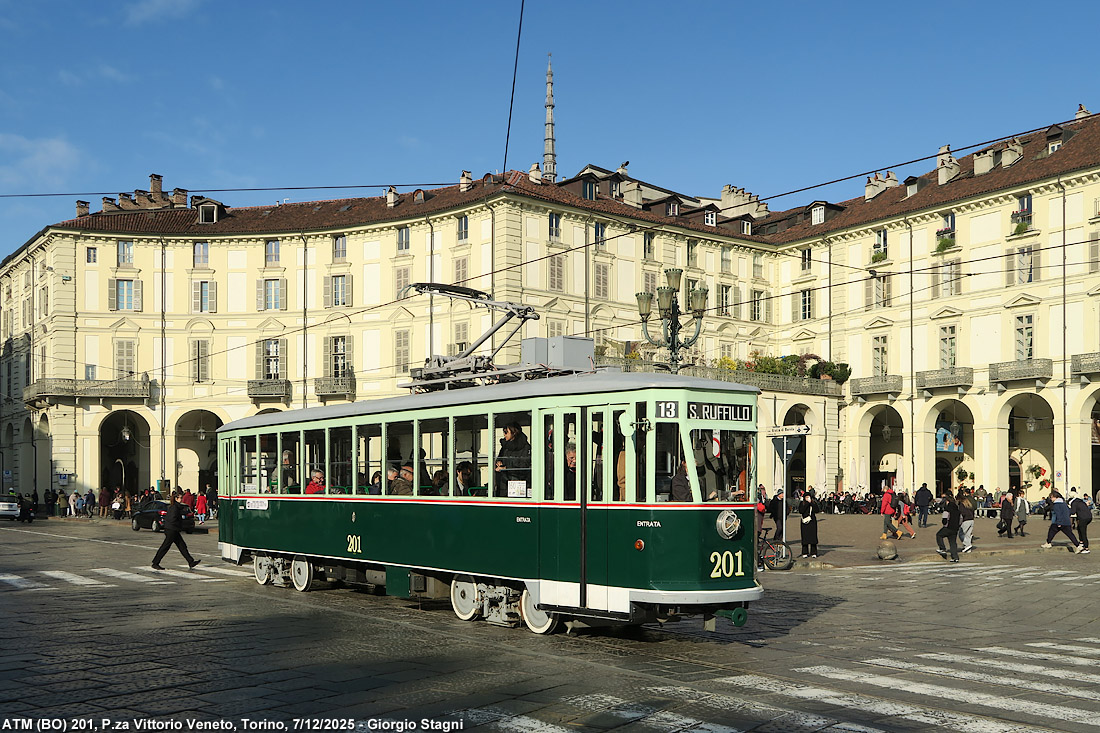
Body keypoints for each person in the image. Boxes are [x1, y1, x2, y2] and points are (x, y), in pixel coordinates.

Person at [151, 489, 200, 570]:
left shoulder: (176, 507)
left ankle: (191, 561)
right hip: (171, 530)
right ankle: (155, 563)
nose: (182, 499)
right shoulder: (174, 507)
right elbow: (172, 519)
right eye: (180, 498)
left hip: (173, 529)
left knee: (182, 546)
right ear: (176, 498)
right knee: (165, 546)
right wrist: (178, 525)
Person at [936, 492, 962, 562]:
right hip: (955, 528)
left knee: (939, 535)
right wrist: (958, 525)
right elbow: (961, 519)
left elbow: (944, 519)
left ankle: (942, 548)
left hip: (948, 527)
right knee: (953, 542)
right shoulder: (958, 510)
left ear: (948, 502)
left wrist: (945, 524)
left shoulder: (947, 509)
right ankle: (955, 557)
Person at [1069, 490, 1091, 554]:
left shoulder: (1074, 503)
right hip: (1089, 517)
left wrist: (1068, 510)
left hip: (1083, 518)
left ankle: (1086, 547)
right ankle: (1081, 542)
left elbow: (1073, 512)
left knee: (1083, 531)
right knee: (1079, 528)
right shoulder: (1081, 501)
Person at [798, 491, 819, 558]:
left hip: (812, 522)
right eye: (806, 497)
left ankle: (814, 552)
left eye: (808, 497)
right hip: (804, 522)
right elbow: (801, 511)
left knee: (813, 537)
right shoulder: (802, 503)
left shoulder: (813, 503)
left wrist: (811, 503)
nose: (808, 498)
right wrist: (807, 504)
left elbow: (817, 510)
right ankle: (805, 552)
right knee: (805, 537)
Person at [957, 488, 975, 552]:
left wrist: (959, 522)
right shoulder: (968, 504)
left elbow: (962, 513)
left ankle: (967, 545)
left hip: (966, 520)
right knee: (968, 535)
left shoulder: (961, 504)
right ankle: (968, 549)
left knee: (961, 534)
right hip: (971, 520)